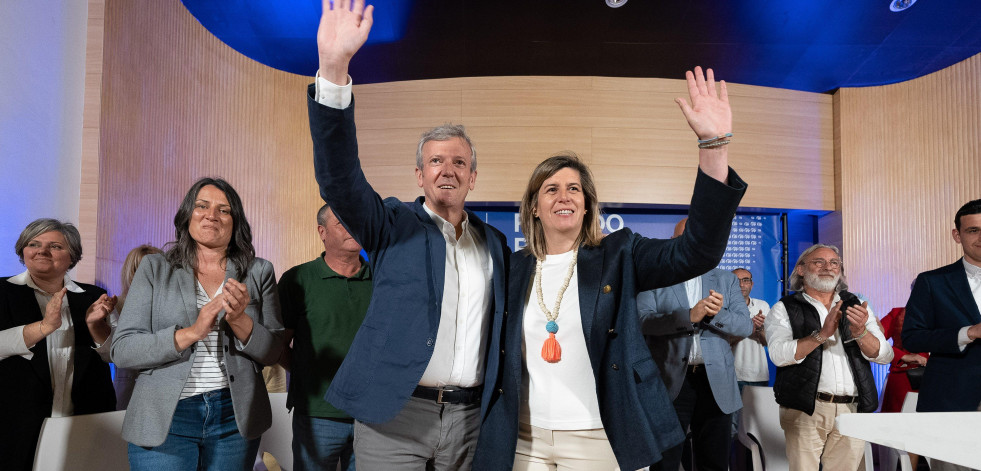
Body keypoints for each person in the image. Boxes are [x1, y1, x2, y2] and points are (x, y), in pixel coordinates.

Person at [474, 65, 748, 470]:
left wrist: (713, 147)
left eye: (574, 189)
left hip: (597, 437)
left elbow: (697, 252)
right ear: (534, 206)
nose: (563, 196)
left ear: (587, 205)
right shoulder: (512, 268)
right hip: (523, 440)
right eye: (551, 188)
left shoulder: (619, 254)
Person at [309, 1, 510, 468]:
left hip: (471, 420)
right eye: (435, 161)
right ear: (419, 175)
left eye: (459, 162)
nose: (447, 170)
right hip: (393, 416)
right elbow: (339, 179)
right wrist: (334, 71)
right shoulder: (390, 224)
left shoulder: (495, 245)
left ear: (473, 178)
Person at [111, 177, 285, 470]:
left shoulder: (258, 271)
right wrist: (191, 332)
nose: (211, 215)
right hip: (165, 414)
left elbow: (272, 352)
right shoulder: (155, 268)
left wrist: (240, 320)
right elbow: (124, 349)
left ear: (235, 221)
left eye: (224, 210)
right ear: (187, 215)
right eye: (201, 206)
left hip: (234, 417)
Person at [0, 218, 118, 471]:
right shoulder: (2, 291)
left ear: (72, 256)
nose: (42, 250)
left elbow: (116, 356)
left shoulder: (95, 296)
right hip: (15, 422)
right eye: (33, 243)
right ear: (23, 250)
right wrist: (44, 327)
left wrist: (97, 328)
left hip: (86, 420)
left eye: (55, 246)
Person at [764, 244, 893, 471]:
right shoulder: (785, 308)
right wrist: (821, 335)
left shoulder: (857, 305)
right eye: (819, 262)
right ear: (801, 269)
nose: (828, 267)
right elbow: (778, 355)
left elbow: (884, 355)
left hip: (853, 408)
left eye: (834, 263)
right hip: (805, 408)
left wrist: (861, 333)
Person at [637, 219, 752, 471]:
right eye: (684, 238)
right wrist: (689, 316)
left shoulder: (726, 280)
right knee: (664, 462)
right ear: (672, 243)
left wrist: (714, 315)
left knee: (714, 461)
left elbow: (745, 327)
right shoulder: (653, 278)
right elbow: (644, 321)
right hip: (670, 382)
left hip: (716, 383)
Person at [278, 204, 372, 471]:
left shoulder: (381, 279)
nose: (352, 226)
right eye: (342, 223)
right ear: (322, 232)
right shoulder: (298, 279)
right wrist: (305, 373)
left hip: (372, 417)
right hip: (317, 416)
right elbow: (279, 345)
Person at [903, 199, 981, 471]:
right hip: (951, 402)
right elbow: (912, 337)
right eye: (973, 230)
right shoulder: (932, 281)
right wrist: (967, 333)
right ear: (957, 235)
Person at [112, 244, 163, 410]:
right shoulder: (115, 305)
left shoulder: (174, 307)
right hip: (129, 391)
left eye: (154, 269)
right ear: (129, 272)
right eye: (138, 269)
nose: (146, 275)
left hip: (165, 391)